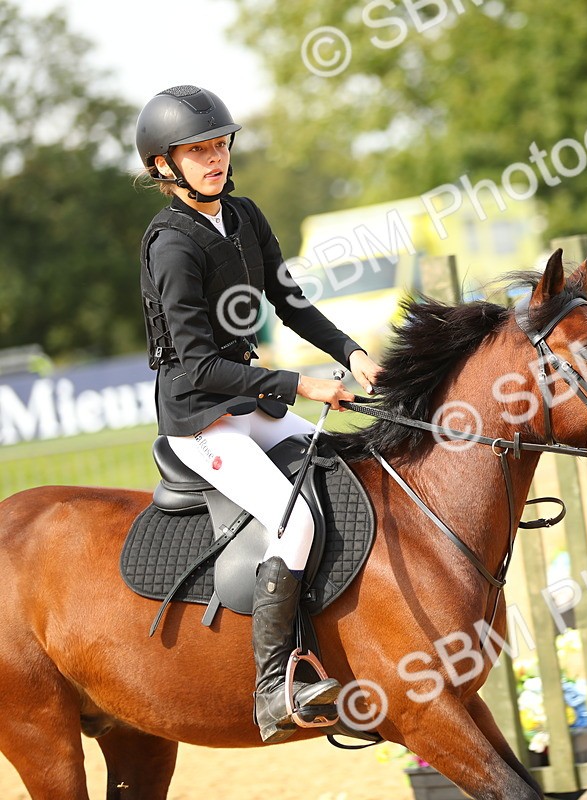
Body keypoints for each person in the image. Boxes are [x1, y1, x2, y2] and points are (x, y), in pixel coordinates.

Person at [134, 86, 383, 743]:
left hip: (252, 402)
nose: (215, 158)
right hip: (202, 419)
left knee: (344, 469)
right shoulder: (171, 246)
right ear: (164, 165)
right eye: (198, 151)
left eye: (220, 145)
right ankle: (276, 687)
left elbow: (291, 301)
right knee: (295, 518)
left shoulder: (242, 215)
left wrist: (351, 354)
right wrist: (302, 383)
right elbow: (196, 367)